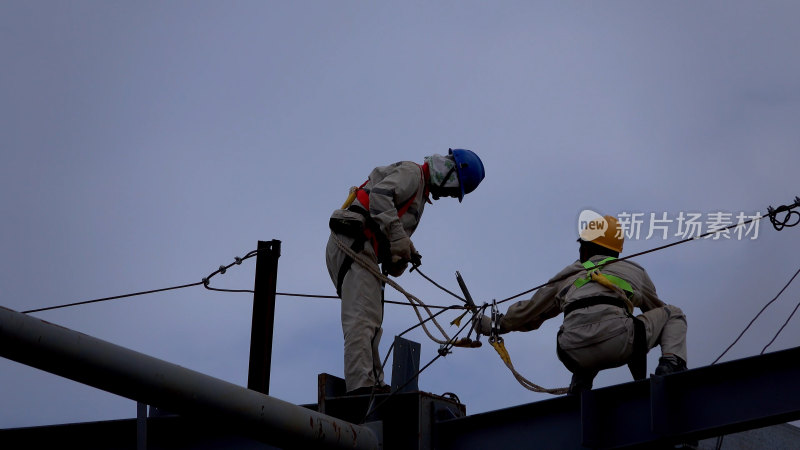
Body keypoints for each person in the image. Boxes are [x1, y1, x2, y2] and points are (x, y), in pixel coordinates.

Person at [326, 149, 485, 395]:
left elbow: (387, 228)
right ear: (451, 174)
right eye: (454, 190)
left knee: (372, 320)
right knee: (362, 318)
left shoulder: (420, 196)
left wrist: (398, 256)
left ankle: (373, 383)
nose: (449, 195)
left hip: (359, 247)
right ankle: (360, 388)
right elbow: (380, 195)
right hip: (352, 243)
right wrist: (398, 235)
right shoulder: (413, 174)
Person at [476, 214, 687, 394]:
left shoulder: (570, 274)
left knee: (583, 324)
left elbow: (531, 311)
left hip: (570, 351)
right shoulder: (635, 271)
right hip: (619, 342)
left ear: (586, 250)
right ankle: (671, 366)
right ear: (617, 251)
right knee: (673, 314)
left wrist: (497, 325)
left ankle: (581, 382)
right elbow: (657, 312)